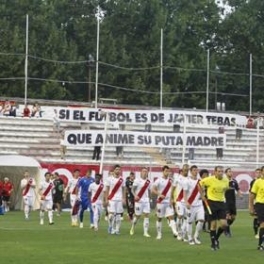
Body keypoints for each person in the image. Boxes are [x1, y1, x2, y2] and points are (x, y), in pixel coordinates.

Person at [199, 166, 229, 251]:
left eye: (222, 171)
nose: (220, 173)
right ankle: (213, 244)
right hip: (211, 203)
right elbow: (199, 184)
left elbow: (225, 190)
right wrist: (202, 195)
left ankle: (216, 238)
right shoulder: (209, 179)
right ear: (215, 172)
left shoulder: (226, 180)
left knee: (224, 224)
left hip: (221, 203)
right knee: (213, 224)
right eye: (219, 171)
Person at [152, 165, 178, 240]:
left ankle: (174, 231)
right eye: (166, 171)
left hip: (168, 202)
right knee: (159, 218)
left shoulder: (171, 180)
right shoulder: (158, 180)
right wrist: (159, 194)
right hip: (160, 202)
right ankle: (159, 234)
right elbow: (153, 190)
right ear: (163, 171)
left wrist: (172, 199)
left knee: (171, 217)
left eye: (168, 171)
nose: (167, 172)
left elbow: (172, 191)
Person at [183, 165, 205, 245]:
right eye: (194, 170)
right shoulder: (187, 181)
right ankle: (189, 238)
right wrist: (186, 202)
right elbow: (184, 193)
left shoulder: (200, 181)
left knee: (201, 220)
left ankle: (196, 236)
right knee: (190, 222)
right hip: (190, 204)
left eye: (197, 170)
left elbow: (203, 192)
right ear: (191, 171)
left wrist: (203, 195)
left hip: (199, 204)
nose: (196, 171)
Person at [130, 167, 151, 237]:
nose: (145, 173)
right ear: (141, 173)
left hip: (146, 201)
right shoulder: (137, 180)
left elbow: (149, 191)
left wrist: (149, 198)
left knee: (147, 215)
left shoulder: (148, 181)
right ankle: (132, 227)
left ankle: (145, 232)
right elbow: (132, 190)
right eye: (143, 171)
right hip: (139, 201)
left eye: (146, 171)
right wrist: (135, 196)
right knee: (137, 216)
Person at [104, 164, 126, 235]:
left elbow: (123, 189)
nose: (118, 171)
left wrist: (124, 198)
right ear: (113, 170)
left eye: (119, 169)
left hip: (119, 199)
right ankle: (111, 227)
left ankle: (117, 229)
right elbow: (106, 189)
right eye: (116, 169)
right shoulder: (109, 179)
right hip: (111, 199)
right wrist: (106, 199)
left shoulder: (122, 179)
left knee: (118, 216)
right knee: (111, 215)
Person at [171, 164, 189, 241]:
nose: (186, 171)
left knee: (186, 218)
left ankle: (183, 235)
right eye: (185, 170)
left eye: (187, 170)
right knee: (180, 215)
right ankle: (178, 232)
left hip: (187, 201)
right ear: (182, 170)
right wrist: (171, 198)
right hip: (179, 200)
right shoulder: (177, 178)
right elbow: (173, 188)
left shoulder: (189, 179)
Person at [249, 166, 264, 250]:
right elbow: (252, 195)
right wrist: (251, 207)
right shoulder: (257, 182)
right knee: (263, 224)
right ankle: (260, 245)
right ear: (262, 172)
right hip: (260, 204)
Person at [224, 167, 242, 237]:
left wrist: (240, 195)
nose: (230, 173)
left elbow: (237, 189)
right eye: (229, 171)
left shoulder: (234, 181)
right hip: (225, 201)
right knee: (228, 216)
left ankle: (226, 227)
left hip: (232, 201)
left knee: (233, 217)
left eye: (231, 171)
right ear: (226, 173)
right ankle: (227, 231)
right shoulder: (224, 181)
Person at [249, 168, 261, 239]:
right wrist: (250, 205)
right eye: (257, 173)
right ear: (255, 174)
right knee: (256, 217)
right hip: (256, 201)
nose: (258, 174)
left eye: (260, 172)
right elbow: (251, 193)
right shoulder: (253, 182)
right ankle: (256, 233)